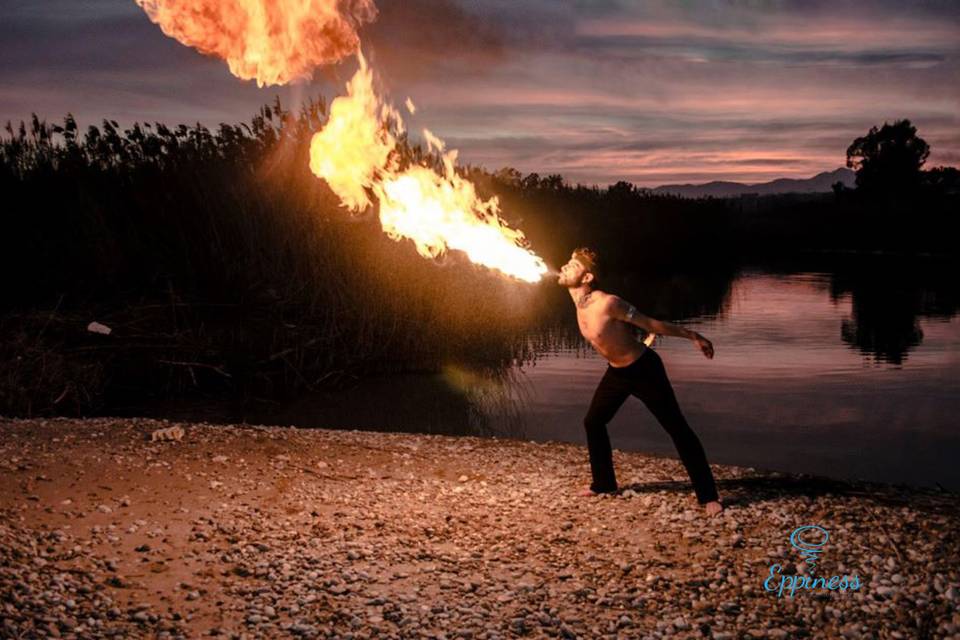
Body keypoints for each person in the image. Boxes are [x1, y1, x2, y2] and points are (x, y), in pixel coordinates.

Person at [557, 247, 723, 517]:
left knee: (677, 429)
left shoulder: (608, 302)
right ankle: (604, 484)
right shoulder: (578, 302)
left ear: (587, 277)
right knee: (593, 422)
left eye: (572, 264)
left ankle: (708, 495)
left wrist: (693, 335)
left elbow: (651, 325)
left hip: (644, 370)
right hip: (616, 373)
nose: (564, 266)